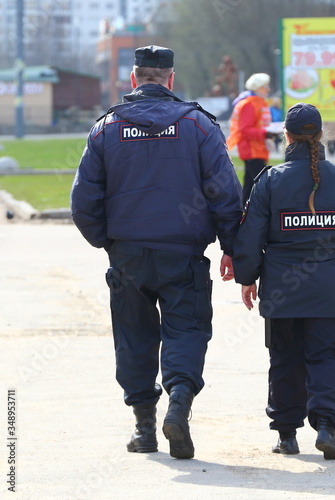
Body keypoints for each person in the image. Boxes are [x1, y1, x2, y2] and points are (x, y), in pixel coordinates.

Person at [70, 45, 243, 459]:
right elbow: (224, 192)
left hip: (128, 255)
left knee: (134, 337)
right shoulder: (199, 127)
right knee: (186, 330)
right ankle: (179, 405)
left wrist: (107, 242)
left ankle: (145, 428)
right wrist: (233, 247)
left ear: (133, 79)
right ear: (170, 79)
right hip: (183, 254)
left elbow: (83, 202)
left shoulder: (106, 129)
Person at [232, 103, 335, 460]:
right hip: (331, 291)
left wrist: (247, 277)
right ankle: (327, 427)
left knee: (284, 359)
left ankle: (287, 435)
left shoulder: (269, 180)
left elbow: (250, 235)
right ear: (320, 136)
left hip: (283, 292)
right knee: (327, 358)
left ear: (286, 137)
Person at [226, 73, 275, 204]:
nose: (268, 89)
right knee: (262, 183)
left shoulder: (258, 102)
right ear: (257, 88)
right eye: (265, 86)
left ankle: (243, 209)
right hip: (252, 150)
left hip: (258, 149)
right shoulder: (249, 104)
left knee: (249, 184)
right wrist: (265, 134)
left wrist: (268, 134)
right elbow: (245, 130)